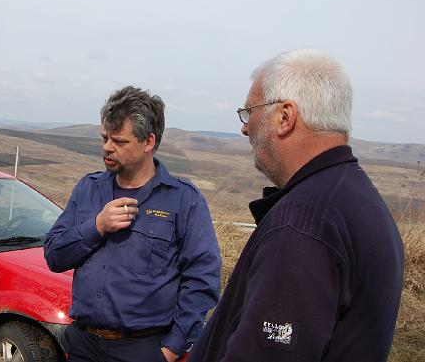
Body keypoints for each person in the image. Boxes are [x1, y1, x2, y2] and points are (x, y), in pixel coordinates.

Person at [189, 49, 404, 362]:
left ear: (285, 116)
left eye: (249, 112)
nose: (245, 128)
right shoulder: (354, 195)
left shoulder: (303, 222)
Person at [44, 86, 221, 362]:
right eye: (104, 138)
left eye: (119, 141)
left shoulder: (183, 199)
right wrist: (97, 226)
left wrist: (171, 349)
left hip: (143, 350)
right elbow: (54, 255)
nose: (106, 147)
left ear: (148, 141)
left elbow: (202, 279)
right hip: (84, 346)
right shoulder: (87, 189)